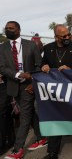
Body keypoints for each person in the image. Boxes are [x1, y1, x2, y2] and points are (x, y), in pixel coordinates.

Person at [0, 21, 42, 159]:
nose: (8, 30)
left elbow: (38, 65)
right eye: (6, 28)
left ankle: (18, 149)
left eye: (11, 28)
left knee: (24, 116)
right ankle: (42, 137)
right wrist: (18, 75)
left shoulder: (31, 45)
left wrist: (33, 82)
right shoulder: (2, 47)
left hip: (28, 86)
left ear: (18, 30)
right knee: (28, 113)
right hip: (13, 86)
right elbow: (2, 67)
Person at [41, 24, 72, 159]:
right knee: (55, 116)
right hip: (55, 90)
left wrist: (70, 68)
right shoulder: (48, 48)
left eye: (68, 35)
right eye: (64, 36)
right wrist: (44, 66)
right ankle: (52, 152)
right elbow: (43, 63)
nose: (67, 37)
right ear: (56, 37)